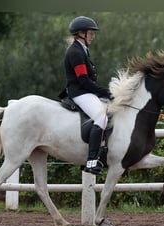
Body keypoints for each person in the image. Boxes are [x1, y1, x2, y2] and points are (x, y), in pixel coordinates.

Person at [63, 16, 111, 175]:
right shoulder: (76, 52)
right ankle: (91, 161)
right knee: (101, 118)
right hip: (80, 92)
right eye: (90, 33)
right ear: (80, 33)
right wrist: (106, 92)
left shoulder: (82, 49)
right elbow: (83, 81)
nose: (93, 36)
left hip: (86, 91)